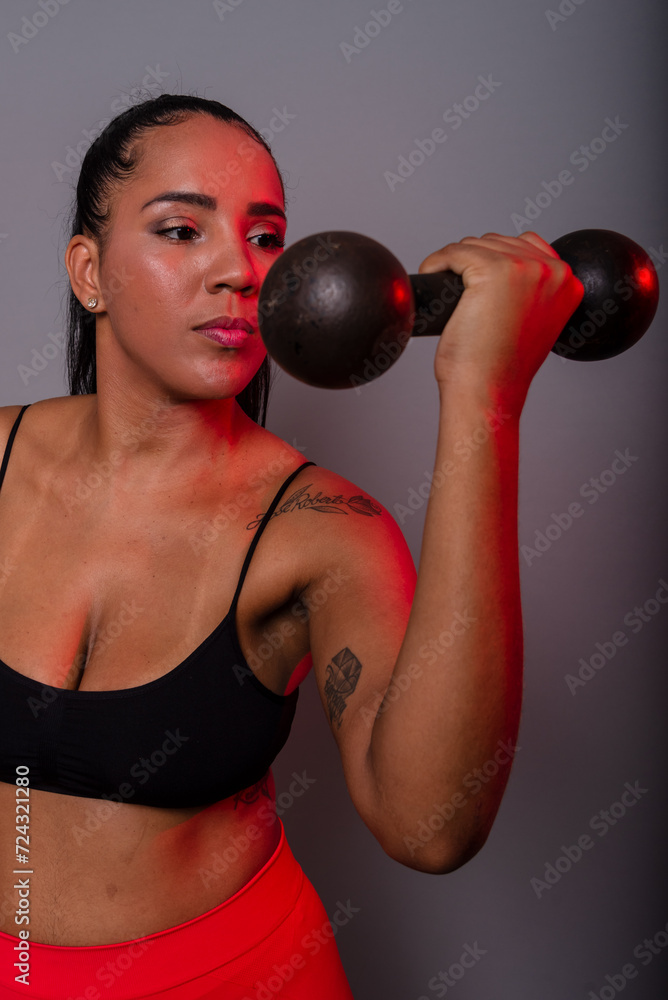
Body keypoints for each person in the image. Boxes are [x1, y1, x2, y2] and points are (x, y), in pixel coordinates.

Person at [0, 93, 583, 998]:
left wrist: (483, 399)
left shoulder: (321, 531)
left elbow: (431, 828)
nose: (240, 269)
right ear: (90, 272)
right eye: (182, 230)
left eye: (266, 237)